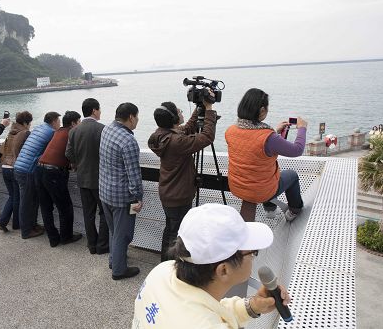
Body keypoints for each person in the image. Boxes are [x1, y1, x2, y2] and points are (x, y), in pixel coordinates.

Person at [132, 203, 290, 329]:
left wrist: (253, 306)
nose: (254, 256)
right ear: (223, 270)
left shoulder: (162, 271)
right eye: (253, 252)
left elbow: (208, 310)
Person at [148, 99, 216, 262]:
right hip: (179, 196)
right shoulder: (176, 142)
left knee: (170, 228)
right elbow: (206, 137)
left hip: (168, 193)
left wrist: (199, 107)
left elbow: (185, 129)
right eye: (179, 112)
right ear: (173, 119)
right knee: (177, 233)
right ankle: (171, 265)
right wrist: (209, 110)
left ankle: (164, 262)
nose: (182, 113)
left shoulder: (161, 135)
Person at [226, 88, 307, 221]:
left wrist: (275, 132)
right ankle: (294, 210)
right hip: (262, 189)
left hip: (237, 186)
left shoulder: (231, 130)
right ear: (262, 110)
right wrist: (302, 128)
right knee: (291, 175)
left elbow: (252, 145)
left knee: (262, 177)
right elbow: (297, 150)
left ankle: (269, 210)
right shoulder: (269, 137)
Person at [99, 102, 143, 280]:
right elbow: (134, 175)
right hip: (122, 197)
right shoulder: (128, 141)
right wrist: (138, 198)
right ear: (131, 117)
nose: (137, 120)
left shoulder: (107, 130)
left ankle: (113, 260)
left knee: (113, 231)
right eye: (137, 117)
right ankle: (118, 270)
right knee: (123, 234)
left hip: (105, 191)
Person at [65, 98, 109, 255]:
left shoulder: (74, 131)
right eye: (99, 109)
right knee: (104, 212)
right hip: (100, 179)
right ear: (94, 111)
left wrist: (78, 163)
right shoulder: (103, 129)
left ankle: (92, 244)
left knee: (88, 213)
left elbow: (68, 153)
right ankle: (103, 245)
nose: (100, 112)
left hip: (82, 178)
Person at [35, 111, 83, 247]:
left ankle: (53, 239)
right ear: (73, 123)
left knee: (46, 207)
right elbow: (72, 153)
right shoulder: (72, 133)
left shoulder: (58, 132)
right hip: (53, 173)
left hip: (40, 168)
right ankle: (66, 237)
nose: (80, 125)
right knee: (65, 207)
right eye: (79, 122)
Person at [13, 111, 61, 239]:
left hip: (20, 166)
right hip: (27, 170)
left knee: (31, 200)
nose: (60, 124)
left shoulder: (39, 128)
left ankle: (32, 226)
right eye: (59, 121)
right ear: (54, 121)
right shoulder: (51, 133)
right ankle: (26, 231)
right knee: (27, 202)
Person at [0, 111, 33, 232]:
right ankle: (13, 223)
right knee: (17, 198)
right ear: (26, 123)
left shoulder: (11, 133)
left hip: (5, 167)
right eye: (30, 123)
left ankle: (5, 221)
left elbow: (2, 150)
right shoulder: (24, 133)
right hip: (14, 168)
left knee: (13, 196)